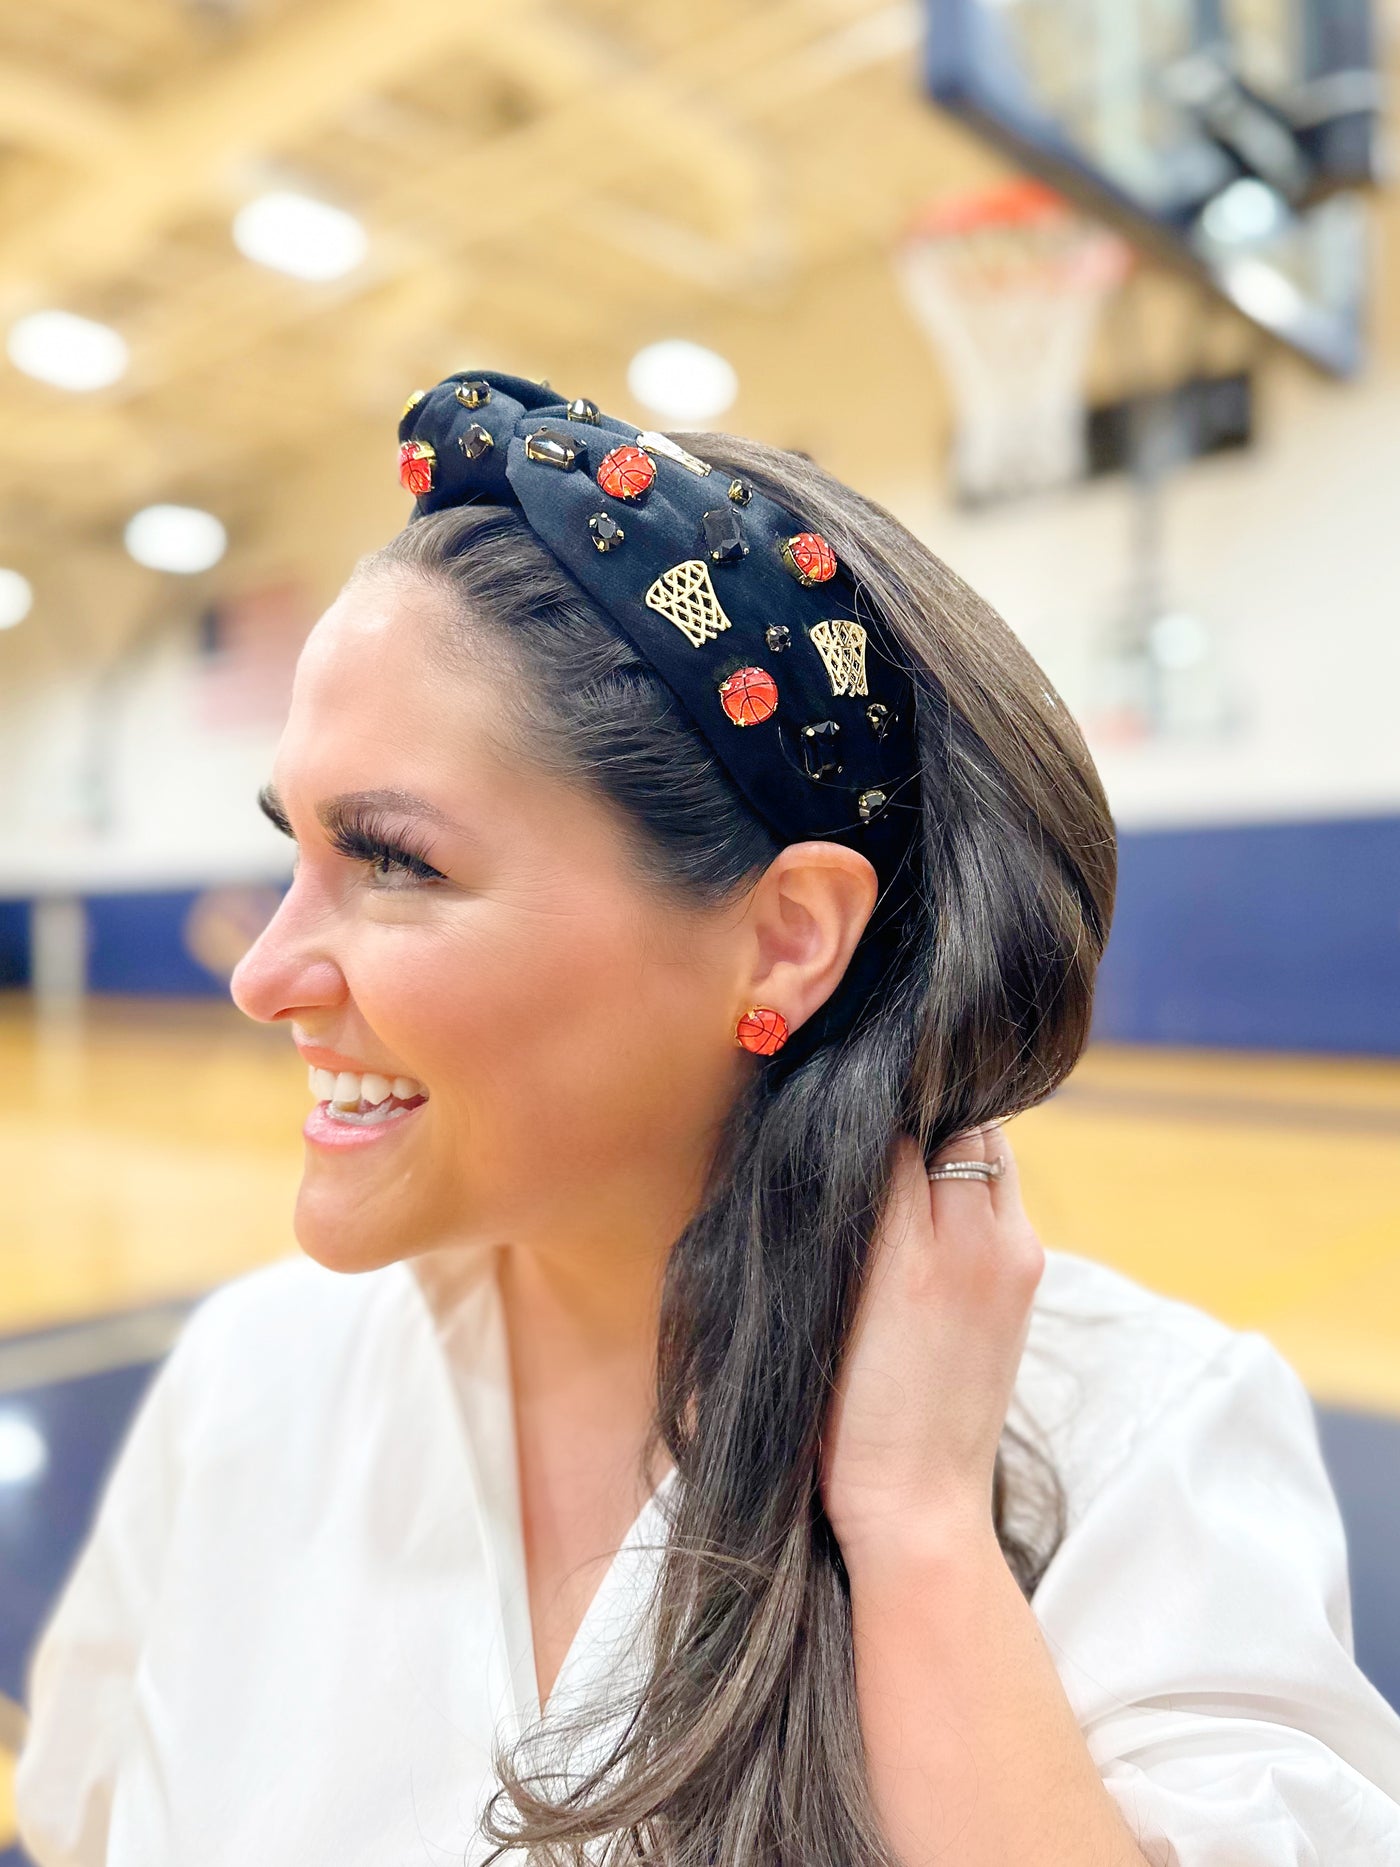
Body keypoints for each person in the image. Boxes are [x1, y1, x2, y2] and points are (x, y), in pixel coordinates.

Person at [15, 370, 1400, 1867]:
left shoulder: (1134, 1439)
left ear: (787, 937)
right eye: (293, 849)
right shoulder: (249, 1380)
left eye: (397, 861)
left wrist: (922, 1529)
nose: (267, 975)